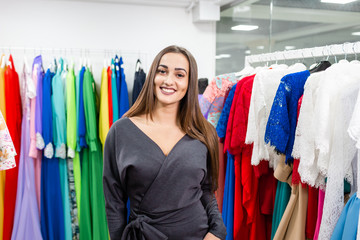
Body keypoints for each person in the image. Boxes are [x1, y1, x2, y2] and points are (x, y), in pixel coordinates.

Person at [103, 45, 226, 240]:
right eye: (162, 71)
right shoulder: (120, 132)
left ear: (189, 82)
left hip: (198, 234)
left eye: (179, 75)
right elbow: (114, 202)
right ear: (153, 76)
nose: (169, 81)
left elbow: (207, 190)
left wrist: (217, 231)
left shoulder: (205, 132)